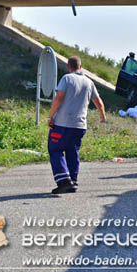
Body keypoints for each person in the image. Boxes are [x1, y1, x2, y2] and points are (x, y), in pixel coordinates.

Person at [47, 56, 106, 194]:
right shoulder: (89, 82)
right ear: (81, 66)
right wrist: (102, 115)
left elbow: (59, 98)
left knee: (55, 149)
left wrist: (51, 116)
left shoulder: (67, 78)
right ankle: (72, 183)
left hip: (62, 123)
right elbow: (98, 102)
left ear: (68, 67)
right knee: (72, 152)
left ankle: (64, 180)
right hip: (80, 126)